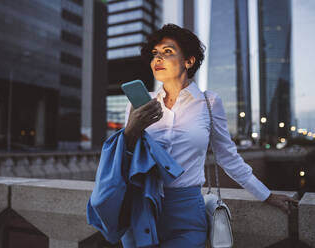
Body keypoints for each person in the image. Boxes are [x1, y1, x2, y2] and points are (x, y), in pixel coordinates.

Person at [122, 24, 298, 247]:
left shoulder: (209, 102)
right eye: (154, 53)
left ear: (189, 61)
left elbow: (228, 157)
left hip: (186, 213)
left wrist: (266, 195)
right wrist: (132, 128)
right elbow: (123, 156)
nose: (158, 58)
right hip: (140, 209)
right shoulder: (139, 103)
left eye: (167, 52)